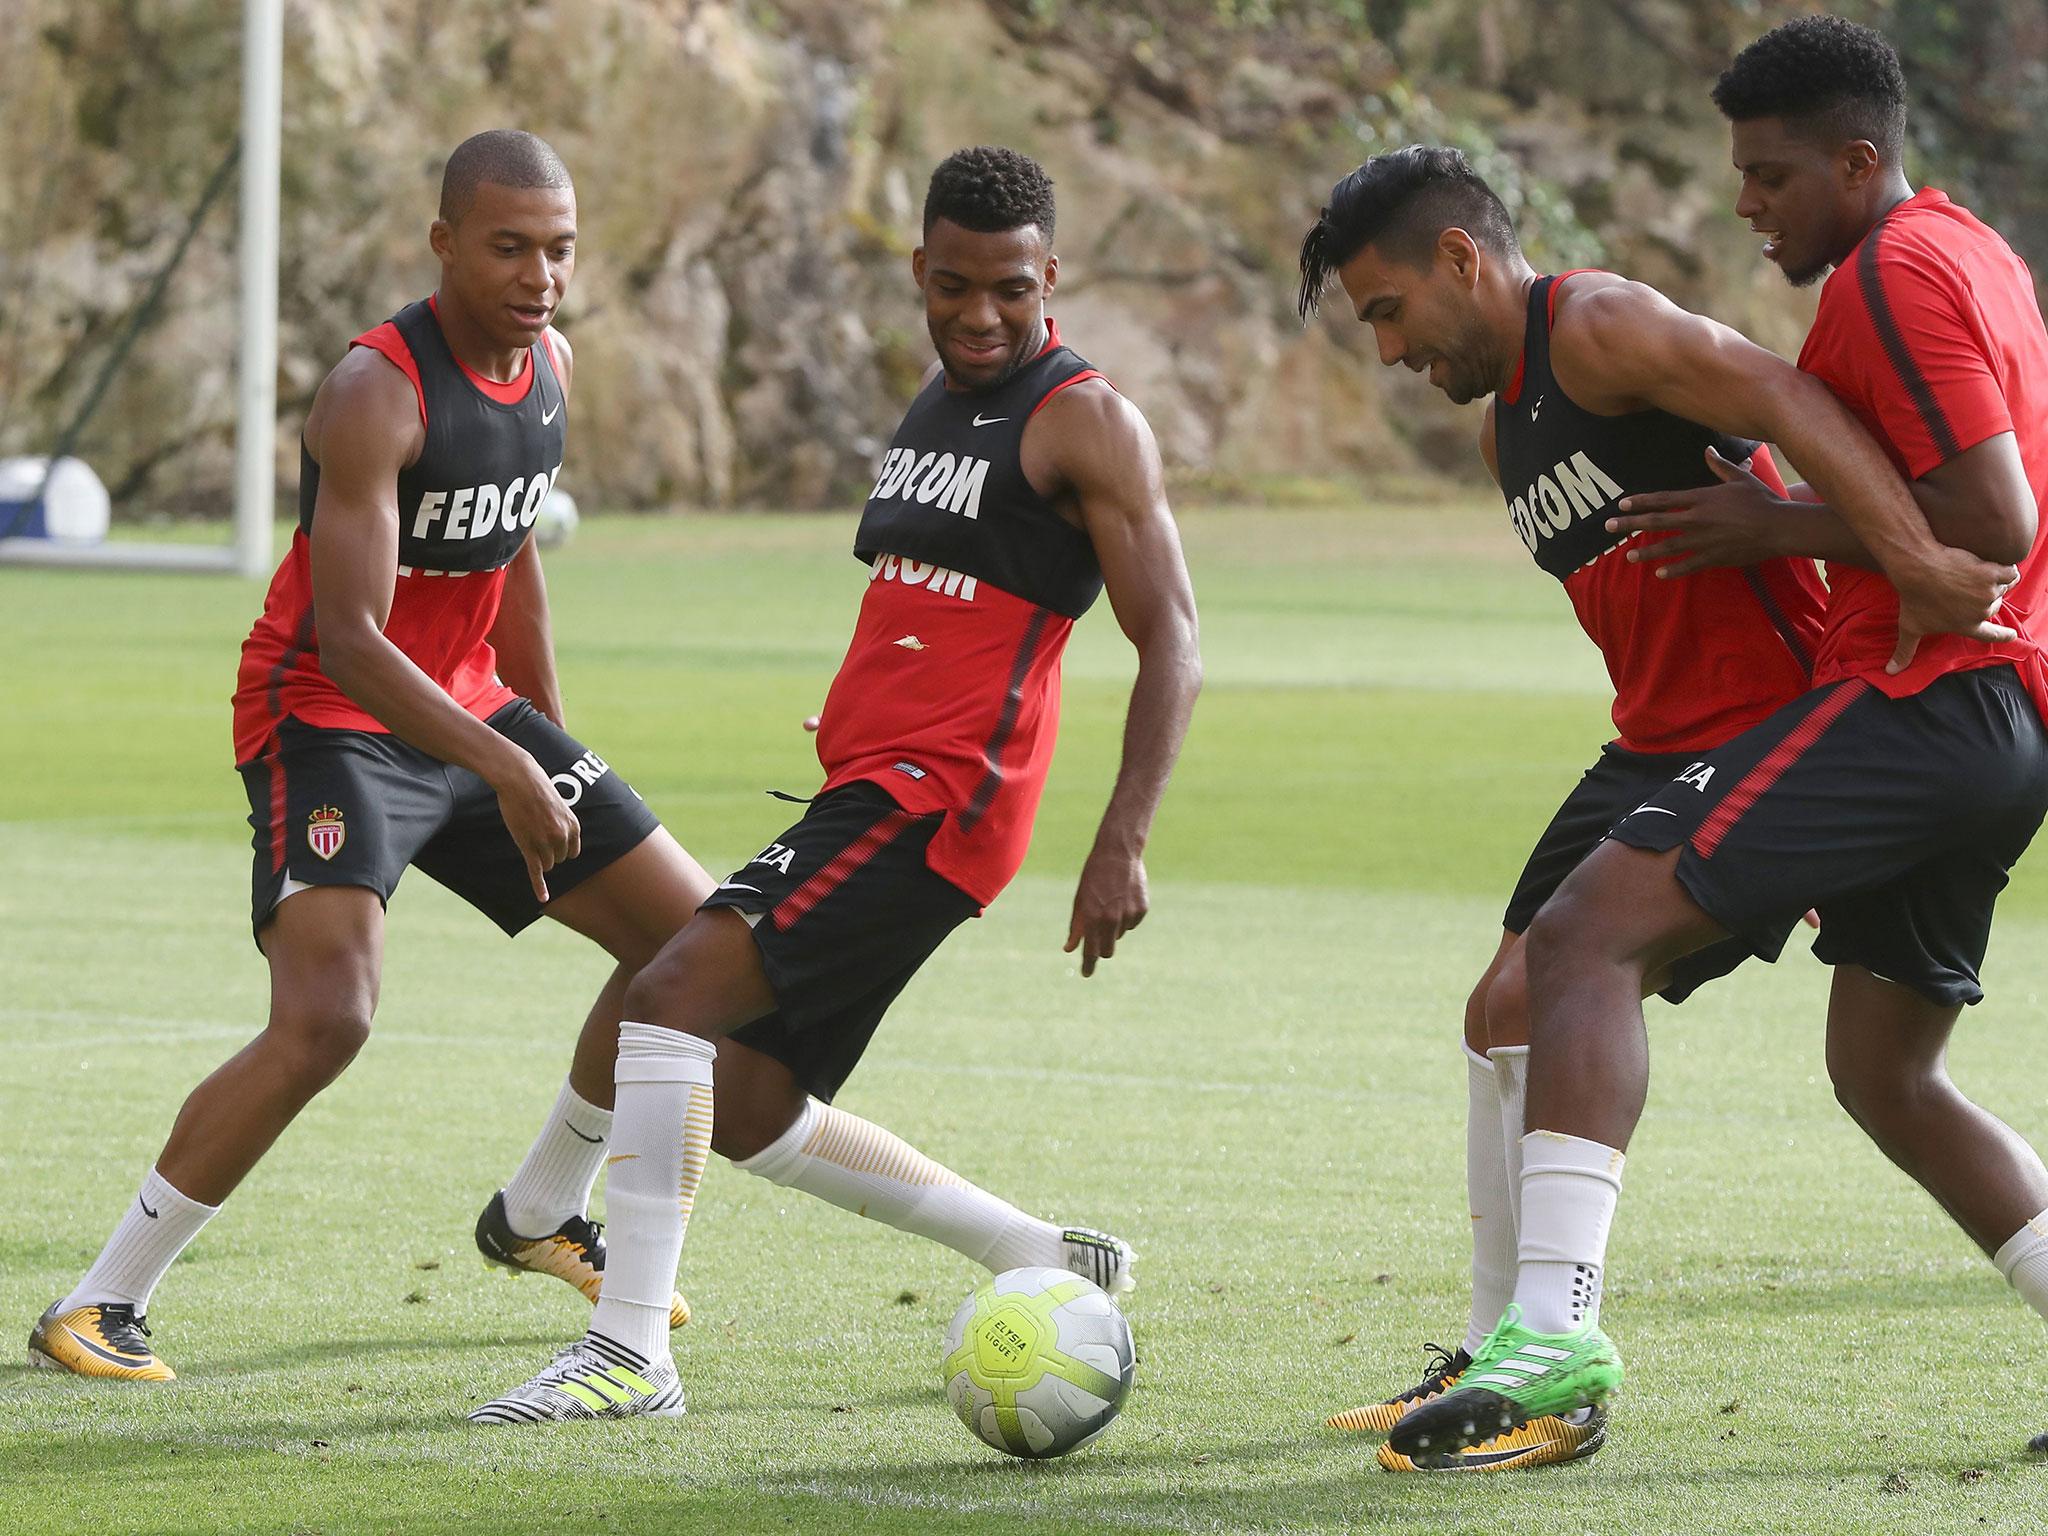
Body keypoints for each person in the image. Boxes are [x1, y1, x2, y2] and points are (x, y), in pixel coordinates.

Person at [1391, 15, 2048, 1464]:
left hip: (1920, 696)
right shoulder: (1976, 253)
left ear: (1859, 161)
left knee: (1580, 944)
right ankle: (1517, 1340)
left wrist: (1781, 524)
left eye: (1769, 175)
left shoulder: (1895, 275)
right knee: (1888, 1075)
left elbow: (1993, 527)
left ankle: (1552, 1340)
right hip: (1980, 719)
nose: (1745, 202)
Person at [470, 145, 1202, 1424]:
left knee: (671, 992)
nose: (981, 316)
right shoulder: (938, 401)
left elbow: (1172, 640)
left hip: (939, 801)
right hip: (872, 780)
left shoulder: (1085, 418)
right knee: (749, 1109)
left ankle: (629, 1353)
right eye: (955, 287)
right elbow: (935, 599)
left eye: (1010, 292)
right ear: (919, 270)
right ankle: (1027, 1248)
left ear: (1052, 280)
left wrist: (1121, 837)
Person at [1296, 144, 1831, 1472]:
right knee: (1496, 1014)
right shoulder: (1504, 423)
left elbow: (1786, 395)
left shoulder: (1599, 328)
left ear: (1462, 260)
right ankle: (1499, 1359)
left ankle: (1559, 1367)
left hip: (1777, 732)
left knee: (1885, 1065)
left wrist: (1855, 538)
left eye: (1386, 310)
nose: (1386, 348)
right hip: (1652, 746)